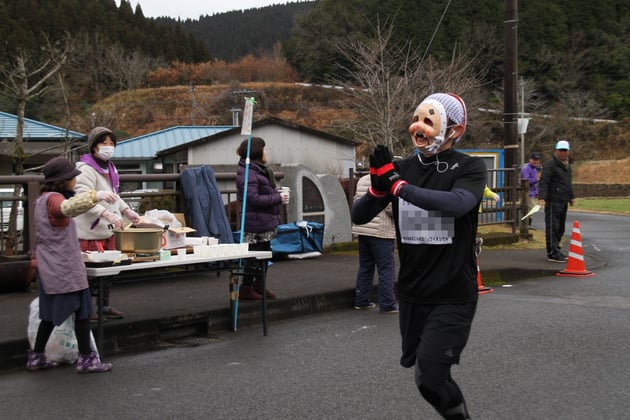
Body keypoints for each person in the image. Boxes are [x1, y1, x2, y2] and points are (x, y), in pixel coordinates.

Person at [352, 93, 486, 420]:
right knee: (426, 378)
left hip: (453, 293)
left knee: (431, 375)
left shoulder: (469, 167)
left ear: (454, 130)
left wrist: (397, 187)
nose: (420, 127)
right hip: (412, 292)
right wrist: (378, 188)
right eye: (418, 119)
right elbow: (359, 216)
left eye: (430, 120)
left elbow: (458, 204)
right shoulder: (402, 167)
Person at [28, 157, 117, 373]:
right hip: (64, 267)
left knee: (48, 314)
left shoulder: (41, 199)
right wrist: (96, 195)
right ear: (64, 180)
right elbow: (67, 207)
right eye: (73, 178)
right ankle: (87, 359)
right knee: (82, 311)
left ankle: (36, 356)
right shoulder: (56, 200)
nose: (75, 181)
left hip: (48, 265)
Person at [73, 127, 141, 321]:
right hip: (90, 229)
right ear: (94, 147)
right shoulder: (84, 169)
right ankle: (87, 309)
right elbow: (82, 198)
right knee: (88, 273)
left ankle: (104, 306)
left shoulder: (110, 168)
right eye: (104, 143)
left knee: (108, 271)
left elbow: (114, 196)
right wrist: (104, 213)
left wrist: (126, 211)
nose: (108, 147)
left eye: (112, 144)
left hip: (107, 229)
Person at [235, 137, 289, 300]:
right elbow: (253, 199)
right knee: (254, 257)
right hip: (255, 223)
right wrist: (278, 199)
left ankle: (259, 286)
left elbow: (261, 194)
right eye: (264, 149)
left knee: (264, 255)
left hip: (262, 221)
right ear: (257, 151)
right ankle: (247, 288)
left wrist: (277, 195)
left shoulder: (256, 170)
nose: (266, 152)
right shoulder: (249, 173)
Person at [351, 174, 398, 314]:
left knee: (366, 266)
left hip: (363, 229)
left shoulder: (362, 180)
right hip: (380, 231)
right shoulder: (388, 181)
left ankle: (361, 300)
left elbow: (357, 202)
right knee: (386, 269)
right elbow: (390, 208)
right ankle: (387, 304)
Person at [538, 140, 574, 263]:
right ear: (556, 151)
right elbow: (544, 181)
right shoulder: (550, 164)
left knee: (560, 228)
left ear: (568, 151)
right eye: (561, 150)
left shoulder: (567, 165)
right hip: (553, 200)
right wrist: (542, 197)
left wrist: (571, 196)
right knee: (553, 227)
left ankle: (556, 249)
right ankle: (552, 253)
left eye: (565, 150)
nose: (563, 153)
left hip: (563, 199)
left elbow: (568, 182)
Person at [520, 152, 542, 228]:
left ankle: (527, 224)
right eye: (534, 159)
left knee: (531, 208)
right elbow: (525, 181)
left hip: (532, 192)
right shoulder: (526, 168)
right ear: (530, 159)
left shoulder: (535, 169)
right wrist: (536, 179)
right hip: (527, 193)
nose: (536, 161)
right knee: (531, 208)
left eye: (537, 160)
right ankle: (525, 224)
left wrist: (536, 191)